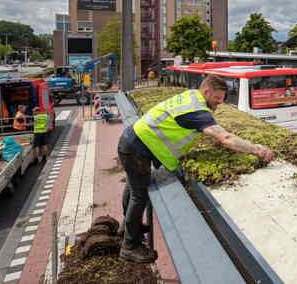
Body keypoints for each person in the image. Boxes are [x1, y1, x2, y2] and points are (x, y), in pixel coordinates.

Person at [117, 75, 275, 263]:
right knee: (138, 194)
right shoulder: (198, 111)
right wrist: (257, 150)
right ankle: (130, 246)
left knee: (133, 186)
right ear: (206, 91)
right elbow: (226, 138)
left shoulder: (191, 96)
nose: (219, 104)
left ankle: (126, 227)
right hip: (137, 149)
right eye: (217, 99)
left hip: (133, 140)